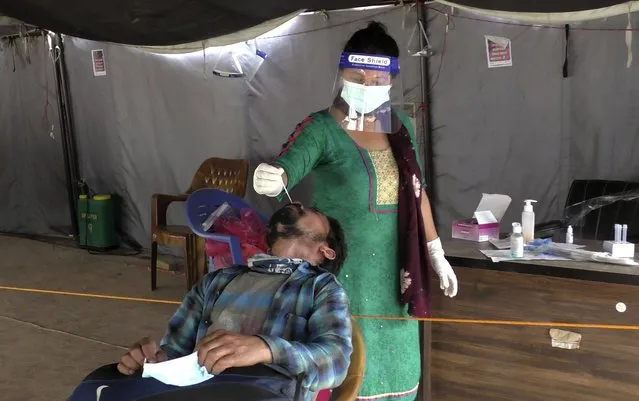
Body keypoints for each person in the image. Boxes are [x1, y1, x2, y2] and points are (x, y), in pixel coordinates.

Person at [253, 21, 458, 401]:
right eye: (357, 75)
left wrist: (434, 251)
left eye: (378, 79)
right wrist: (275, 173)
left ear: (393, 80)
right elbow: (291, 162)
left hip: (396, 272)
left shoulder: (401, 127)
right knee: (343, 367)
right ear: (341, 72)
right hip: (342, 271)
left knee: (397, 366)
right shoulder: (321, 128)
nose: (367, 85)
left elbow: (417, 193)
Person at [68, 203, 351, 401]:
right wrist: (154, 360)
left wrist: (266, 348)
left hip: (260, 391)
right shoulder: (217, 281)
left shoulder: (321, 287)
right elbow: (176, 349)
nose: (299, 203)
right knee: (102, 382)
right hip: (195, 387)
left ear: (325, 250)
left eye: (312, 212)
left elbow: (337, 362)